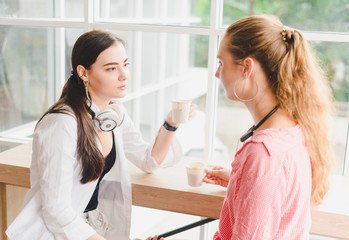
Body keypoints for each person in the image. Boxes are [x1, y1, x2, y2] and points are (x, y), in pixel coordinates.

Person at [6, 30, 194, 240]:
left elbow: (148, 160)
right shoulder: (61, 124)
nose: (124, 75)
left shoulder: (112, 114)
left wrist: (171, 124)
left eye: (125, 64)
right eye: (111, 68)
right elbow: (55, 210)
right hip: (54, 233)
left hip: (87, 228)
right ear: (83, 73)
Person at [203, 15, 333, 239]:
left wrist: (253, 173)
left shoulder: (262, 154)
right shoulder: (295, 132)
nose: (217, 74)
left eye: (221, 63)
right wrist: (240, 181)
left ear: (246, 67)